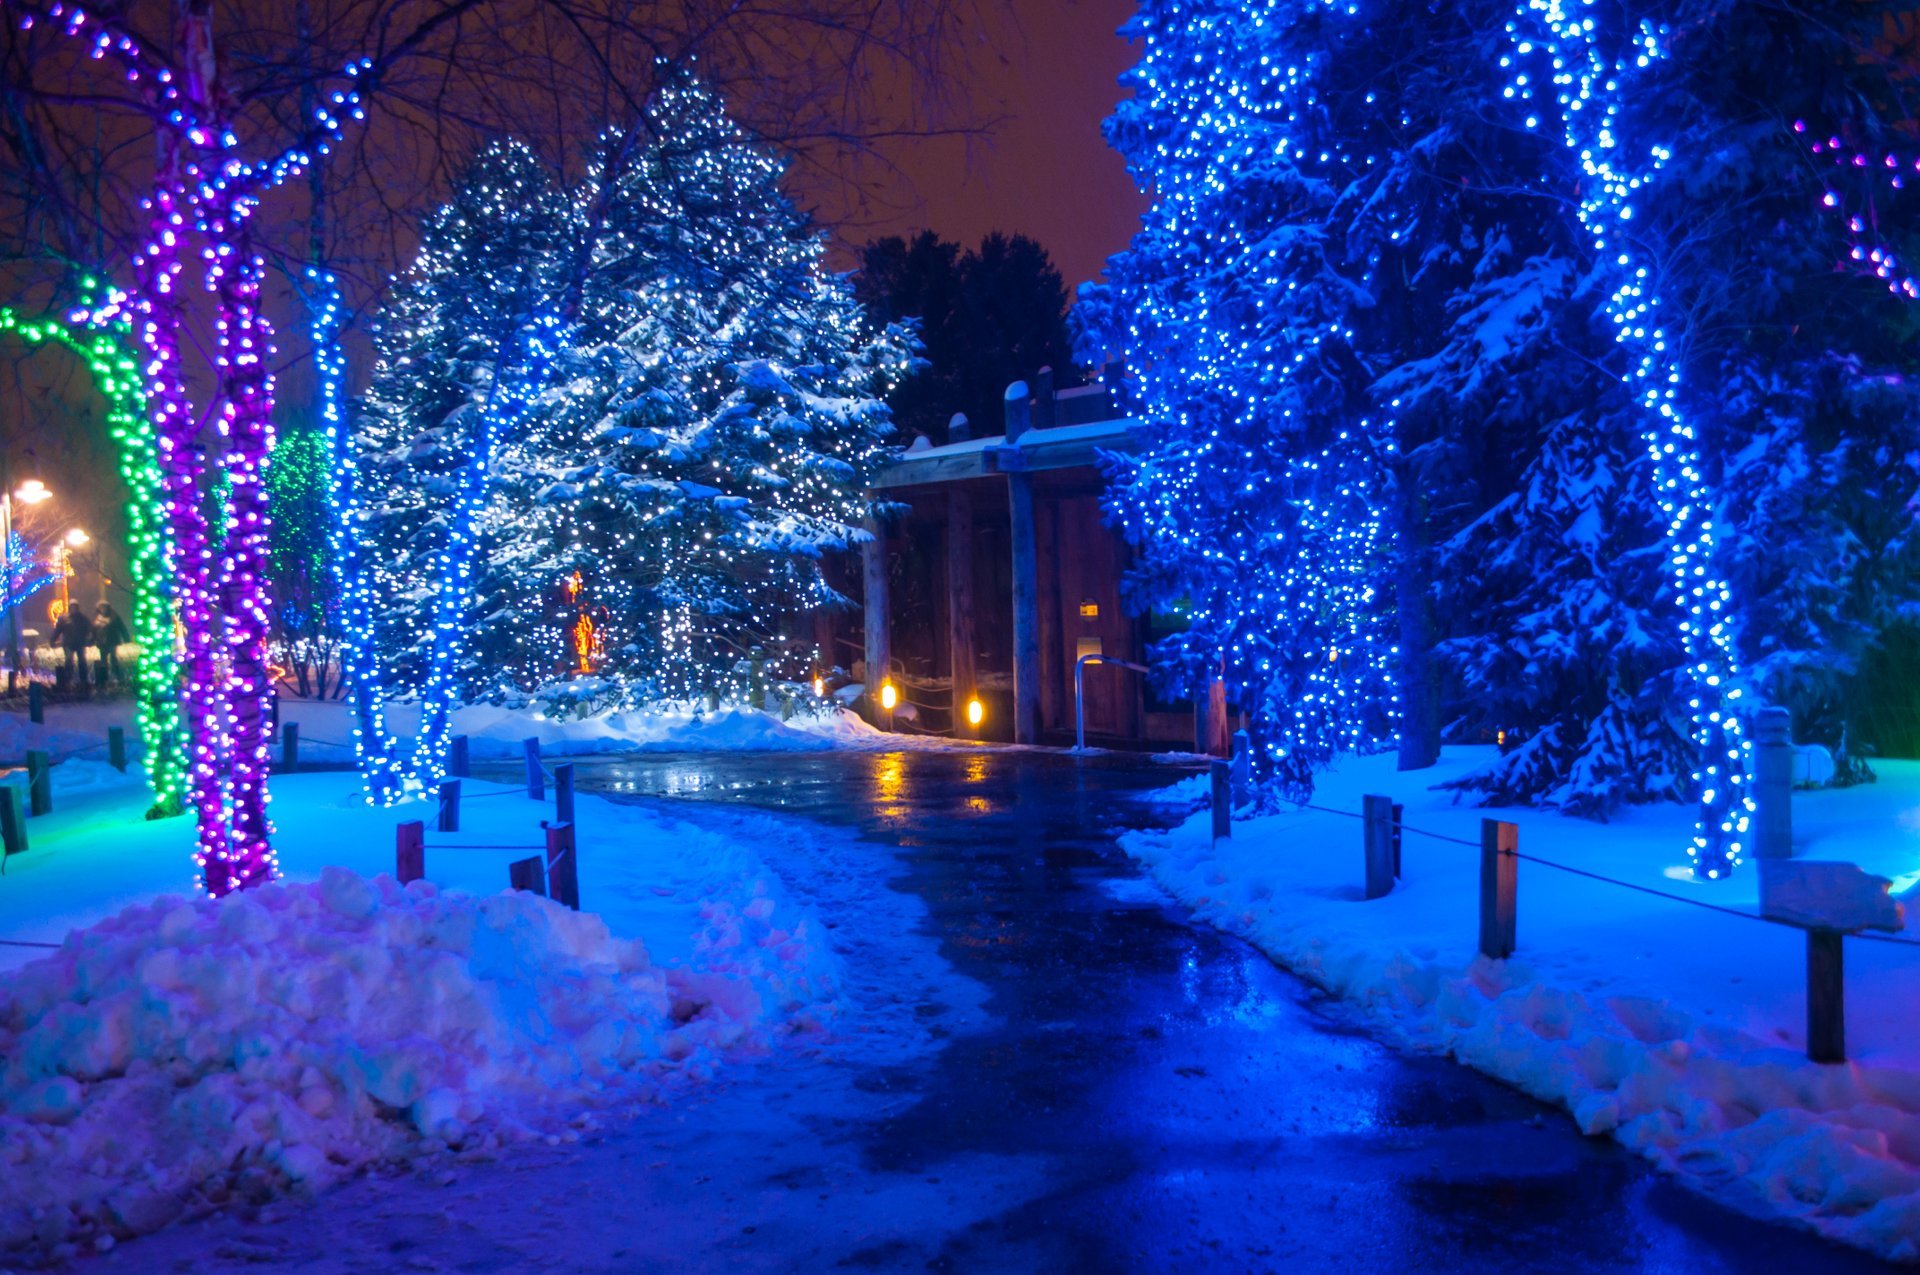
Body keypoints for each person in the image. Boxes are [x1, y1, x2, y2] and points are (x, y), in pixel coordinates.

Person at [53, 605, 93, 693]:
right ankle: (68, 680)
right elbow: (58, 630)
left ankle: (83, 680)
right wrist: (53, 640)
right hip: (68, 644)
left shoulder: (82, 618)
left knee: (82, 662)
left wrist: (90, 639)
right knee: (69, 661)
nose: (73, 609)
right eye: (72, 608)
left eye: (75, 608)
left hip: (80, 643)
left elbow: (89, 629)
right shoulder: (64, 619)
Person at [93, 602, 129, 686]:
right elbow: (94, 630)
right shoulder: (97, 618)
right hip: (101, 643)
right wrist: (92, 639)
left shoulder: (114, 616)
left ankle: (118, 677)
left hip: (112, 641)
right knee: (103, 661)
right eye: (101, 608)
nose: (103, 609)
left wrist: (126, 637)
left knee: (113, 659)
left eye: (104, 607)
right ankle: (105, 678)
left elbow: (121, 627)